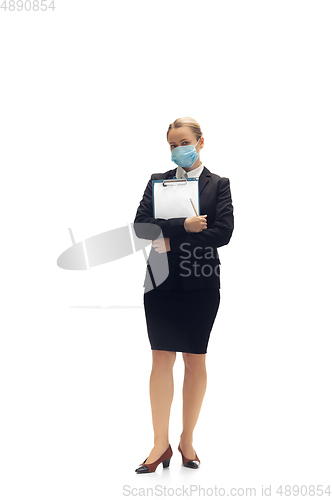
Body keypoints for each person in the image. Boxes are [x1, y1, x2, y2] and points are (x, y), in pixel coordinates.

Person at [133, 117, 234, 473]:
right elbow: (141, 225)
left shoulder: (218, 185)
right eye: (172, 145)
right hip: (160, 281)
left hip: (201, 282)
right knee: (160, 359)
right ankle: (160, 444)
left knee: (195, 360)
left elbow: (222, 232)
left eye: (184, 142)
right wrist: (185, 226)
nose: (178, 149)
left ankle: (186, 440)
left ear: (201, 142)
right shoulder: (157, 182)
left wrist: (171, 238)